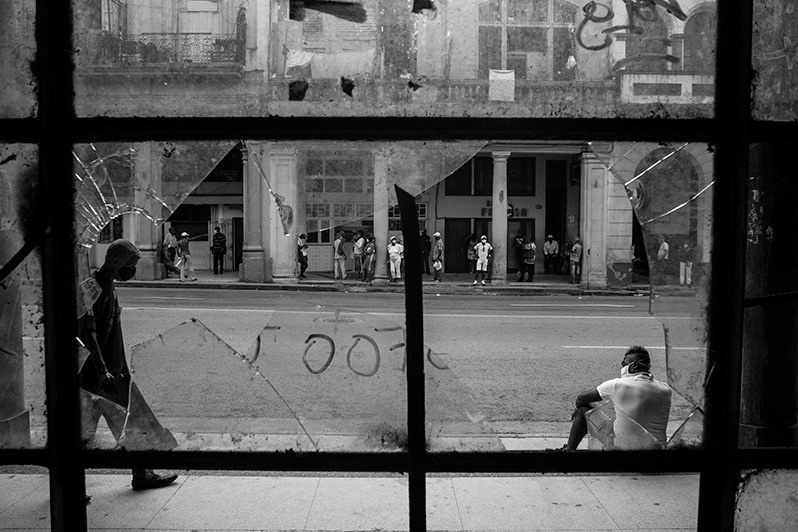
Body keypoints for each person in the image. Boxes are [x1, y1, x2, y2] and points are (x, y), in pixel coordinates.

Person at [78, 239, 178, 491]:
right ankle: (70, 485)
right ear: (115, 261)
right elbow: (89, 335)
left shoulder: (111, 287)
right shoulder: (91, 288)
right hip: (95, 377)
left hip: (116, 372)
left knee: (133, 425)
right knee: (83, 434)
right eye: (129, 266)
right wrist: (103, 370)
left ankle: (142, 475)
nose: (131, 272)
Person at [563, 346, 671, 451]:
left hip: (620, 449)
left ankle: (569, 450)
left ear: (635, 365)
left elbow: (581, 399)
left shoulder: (617, 385)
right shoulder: (665, 389)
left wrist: (578, 409)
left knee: (583, 409)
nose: (622, 367)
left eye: (624, 364)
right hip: (656, 451)